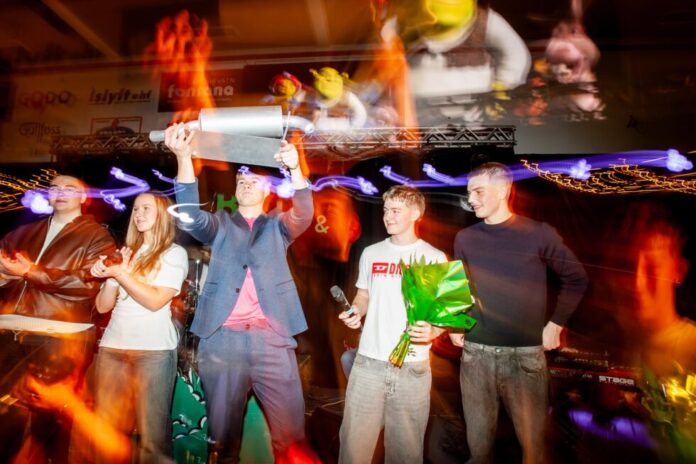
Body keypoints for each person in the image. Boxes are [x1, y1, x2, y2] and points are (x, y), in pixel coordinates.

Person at [164, 123, 315, 463]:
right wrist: (184, 157)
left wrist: (295, 169)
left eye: (253, 182)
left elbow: (304, 213)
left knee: (291, 436)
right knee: (223, 441)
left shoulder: (278, 225)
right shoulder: (219, 224)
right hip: (223, 342)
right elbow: (189, 217)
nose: (246, 185)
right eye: (241, 182)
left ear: (268, 191)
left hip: (272, 339)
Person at [450, 162, 588, 464]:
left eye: (478, 191)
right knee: (478, 453)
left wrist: (555, 323)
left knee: (533, 452)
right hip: (476, 357)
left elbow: (577, 278)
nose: (470, 199)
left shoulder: (537, 234)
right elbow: (461, 289)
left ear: (503, 190)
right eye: (469, 192)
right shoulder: (465, 238)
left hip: (524, 359)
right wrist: (456, 324)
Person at [0, 174, 116, 463]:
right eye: (54, 188)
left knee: (49, 426)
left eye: (69, 188)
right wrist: (5, 276)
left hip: (60, 337)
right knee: (6, 422)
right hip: (8, 333)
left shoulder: (97, 237)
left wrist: (31, 272)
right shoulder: (21, 233)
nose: (60, 192)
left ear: (84, 197)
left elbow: (87, 285)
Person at [338, 185, 447, 464]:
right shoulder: (371, 253)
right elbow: (363, 295)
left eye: (396, 211)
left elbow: (446, 311)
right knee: (353, 449)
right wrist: (356, 310)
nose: (388, 216)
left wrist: (434, 331)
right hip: (368, 364)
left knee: (405, 454)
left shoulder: (434, 257)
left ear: (416, 213)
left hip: (412, 368)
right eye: (386, 210)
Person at [89, 192, 188, 463]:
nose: (138, 214)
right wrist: (111, 277)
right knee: (108, 433)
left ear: (163, 216)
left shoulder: (174, 253)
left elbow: (155, 301)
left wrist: (121, 274)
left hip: (153, 352)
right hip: (112, 348)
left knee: (152, 438)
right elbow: (102, 307)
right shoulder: (126, 253)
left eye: (146, 208)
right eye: (135, 209)